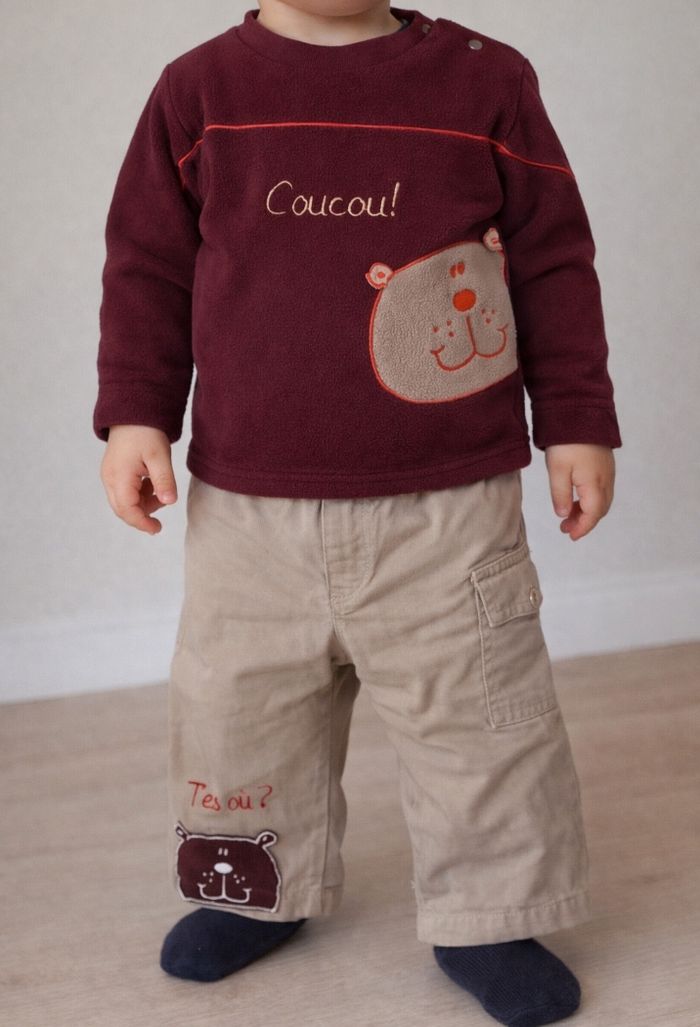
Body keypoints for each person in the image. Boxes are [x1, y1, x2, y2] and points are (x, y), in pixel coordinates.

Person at [93, 3, 622, 1024]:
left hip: (449, 507)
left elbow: (553, 261)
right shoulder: (198, 92)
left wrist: (575, 421)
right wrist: (135, 413)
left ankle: (494, 913)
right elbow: (147, 264)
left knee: (481, 721)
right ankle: (254, 887)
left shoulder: (487, 81)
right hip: (249, 513)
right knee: (238, 712)